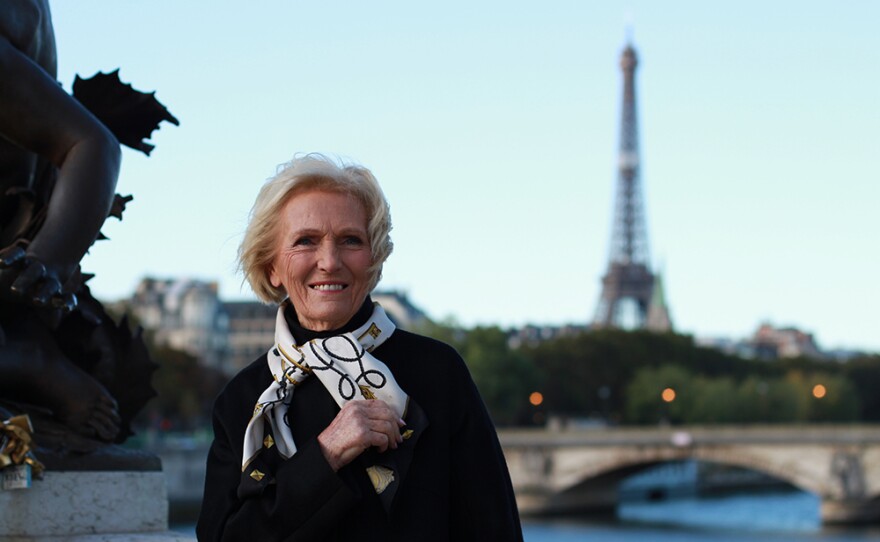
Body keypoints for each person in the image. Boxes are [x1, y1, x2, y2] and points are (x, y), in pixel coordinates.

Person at [197, 155, 523, 541]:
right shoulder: (243, 399)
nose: (330, 262)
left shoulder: (436, 371)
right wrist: (326, 454)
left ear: (374, 260)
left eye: (351, 240)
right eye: (306, 241)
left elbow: (492, 527)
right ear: (271, 267)